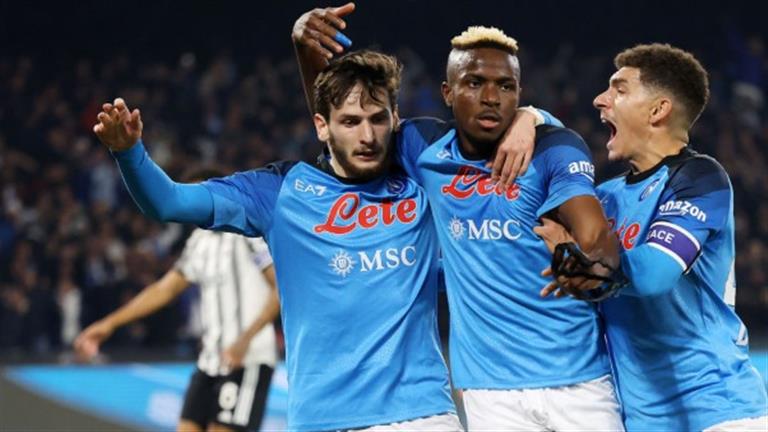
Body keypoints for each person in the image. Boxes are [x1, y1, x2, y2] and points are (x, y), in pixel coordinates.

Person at [293, 8, 625, 431]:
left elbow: (594, 232)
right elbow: (342, 120)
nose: (491, 98)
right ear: (447, 93)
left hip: (580, 382)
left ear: (519, 93)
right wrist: (305, 50)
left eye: (505, 87)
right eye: (474, 83)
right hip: (490, 394)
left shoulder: (553, 147)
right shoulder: (422, 148)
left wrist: (593, 262)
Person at [91, 53, 462, 430]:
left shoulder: (419, 177)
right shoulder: (279, 192)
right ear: (322, 126)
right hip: (323, 421)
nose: (367, 136)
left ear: (395, 118)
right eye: (350, 122)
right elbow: (169, 202)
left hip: (422, 415)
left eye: (378, 119)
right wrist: (129, 153)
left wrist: (525, 120)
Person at [535, 43, 768, 431]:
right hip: (642, 420)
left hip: (720, 412)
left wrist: (576, 260)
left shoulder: (700, 179)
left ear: (658, 110)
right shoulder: (603, 198)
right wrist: (534, 117)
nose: (600, 100)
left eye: (619, 89)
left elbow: (653, 276)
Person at [74, 169, 280, 432]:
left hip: (247, 358)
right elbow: (165, 289)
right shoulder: (199, 241)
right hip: (210, 361)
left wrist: (244, 340)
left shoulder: (249, 232)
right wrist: (109, 323)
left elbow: (281, 290)